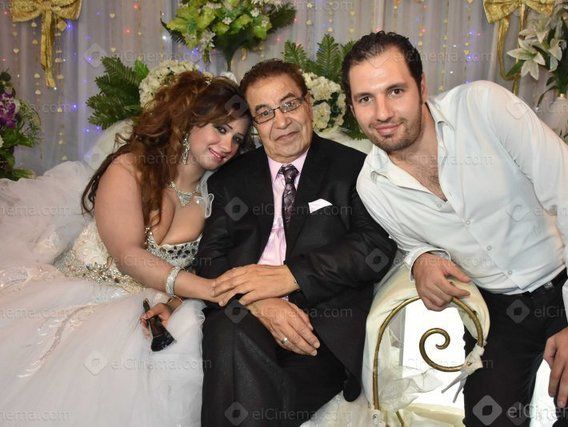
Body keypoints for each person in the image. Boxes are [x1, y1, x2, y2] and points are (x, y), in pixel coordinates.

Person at [343, 32, 568, 426]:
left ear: (421, 87)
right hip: (496, 312)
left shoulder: (484, 107)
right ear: (352, 107)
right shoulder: (372, 186)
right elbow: (412, 242)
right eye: (365, 99)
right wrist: (421, 260)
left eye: (395, 91)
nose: (383, 112)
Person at [0, 71, 252, 426]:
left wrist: (175, 302)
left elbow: (202, 263)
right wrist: (212, 290)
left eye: (237, 138)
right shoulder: (131, 168)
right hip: (80, 296)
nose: (227, 145)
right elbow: (128, 256)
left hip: (147, 309)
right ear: (190, 121)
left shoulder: (216, 195)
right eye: (220, 129)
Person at [186, 59, 397, 427]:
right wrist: (260, 301)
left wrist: (291, 276)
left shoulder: (354, 169)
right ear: (255, 125)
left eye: (288, 104)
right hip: (245, 318)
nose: (281, 121)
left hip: (319, 335)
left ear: (308, 105)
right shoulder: (231, 178)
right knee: (230, 335)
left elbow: (374, 247)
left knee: (248, 394)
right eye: (265, 113)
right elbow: (210, 258)